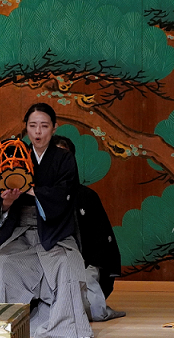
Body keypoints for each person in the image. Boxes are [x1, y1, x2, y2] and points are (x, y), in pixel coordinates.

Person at [0, 104, 93, 338]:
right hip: (21, 230)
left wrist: (31, 190)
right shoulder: (13, 155)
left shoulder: (64, 158)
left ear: (54, 128)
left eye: (44, 126)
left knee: (68, 263)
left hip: (55, 230)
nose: (38, 132)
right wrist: (8, 201)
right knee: (3, 263)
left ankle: (66, 326)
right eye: (33, 126)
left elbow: (66, 193)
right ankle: (7, 326)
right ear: (25, 128)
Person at [52, 135, 125, 322]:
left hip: (83, 265)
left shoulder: (87, 196)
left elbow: (103, 242)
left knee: (90, 311)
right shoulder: (36, 195)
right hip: (50, 265)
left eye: (65, 156)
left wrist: (88, 268)